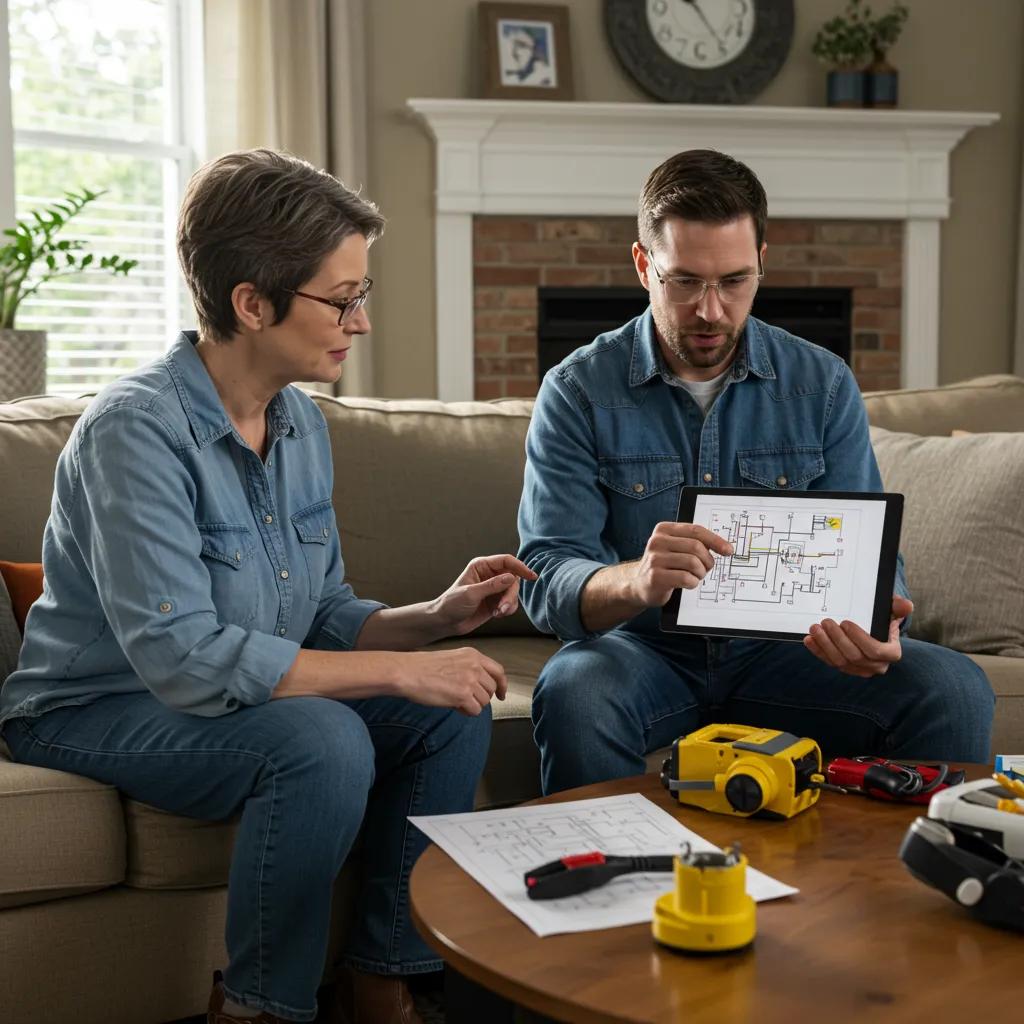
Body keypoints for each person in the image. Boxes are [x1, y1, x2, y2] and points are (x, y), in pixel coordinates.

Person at [0, 149, 536, 1024]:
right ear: (252, 302)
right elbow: (184, 659)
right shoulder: (132, 434)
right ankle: (258, 1008)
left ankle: (382, 980)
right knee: (323, 741)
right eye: (342, 298)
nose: (360, 322)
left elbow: (320, 615)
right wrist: (399, 672)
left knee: (453, 708)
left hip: (207, 698)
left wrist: (435, 620)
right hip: (91, 710)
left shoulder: (299, 425)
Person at [517, 149, 994, 797]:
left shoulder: (821, 384)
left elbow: (868, 549)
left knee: (954, 688)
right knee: (574, 689)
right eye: (684, 281)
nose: (710, 310)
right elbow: (546, 577)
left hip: (792, 656)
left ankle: (903, 888)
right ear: (642, 265)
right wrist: (638, 580)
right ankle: (613, 889)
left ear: (763, 261)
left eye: (734, 281)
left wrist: (879, 623)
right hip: (645, 653)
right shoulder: (576, 390)